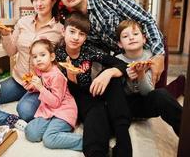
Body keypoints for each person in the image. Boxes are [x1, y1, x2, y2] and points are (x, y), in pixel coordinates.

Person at [54, 0, 165, 88]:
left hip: (149, 50)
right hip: (125, 60)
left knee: (156, 95)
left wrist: (159, 55)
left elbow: (146, 20)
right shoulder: (77, 23)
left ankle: (179, 83)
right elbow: (98, 53)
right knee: (134, 96)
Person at [55, 12, 132, 157]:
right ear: (63, 31)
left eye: (82, 34)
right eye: (72, 32)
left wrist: (107, 73)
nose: (76, 37)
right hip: (68, 99)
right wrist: (71, 79)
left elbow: (123, 65)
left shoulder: (88, 51)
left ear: (85, 37)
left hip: (90, 94)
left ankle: (122, 136)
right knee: (97, 112)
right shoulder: (55, 53)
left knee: (112, 77)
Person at [0, 0, 64, 122]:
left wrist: (41, 85)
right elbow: (11, 52)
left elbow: (60, 62)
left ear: (54, 0)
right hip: (18, 79)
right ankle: (21, 95)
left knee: (25, 112)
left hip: (40, 85)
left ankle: (28, 100)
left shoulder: (60, 30)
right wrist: (5, 35)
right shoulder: (23, 22)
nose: (38, 3)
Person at [115, 20, 182, 136]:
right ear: (120, 44)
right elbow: (119, 93)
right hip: (126, 106)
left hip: (145, 102)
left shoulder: (151, 57)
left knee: (162, 94)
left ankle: (188, 134)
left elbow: (148, 92)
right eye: (125, 36)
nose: (131, 38)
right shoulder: (116, 59)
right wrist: (129, 79)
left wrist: (140, 75)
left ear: (144, 39)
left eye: (135, 34)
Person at [24, 39, 82, 151]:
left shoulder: (57, 76)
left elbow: (55, 102)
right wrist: (33, 87)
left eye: (42, 55)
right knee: (31, 132)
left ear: (52, 57)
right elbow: (45, 89)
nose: (38, 59)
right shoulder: (41, 71)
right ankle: (53, 128)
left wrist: (40, 87)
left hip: (63, 110)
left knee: (49, 139)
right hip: (48, 110)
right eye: (35, 57)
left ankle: (87, 142)